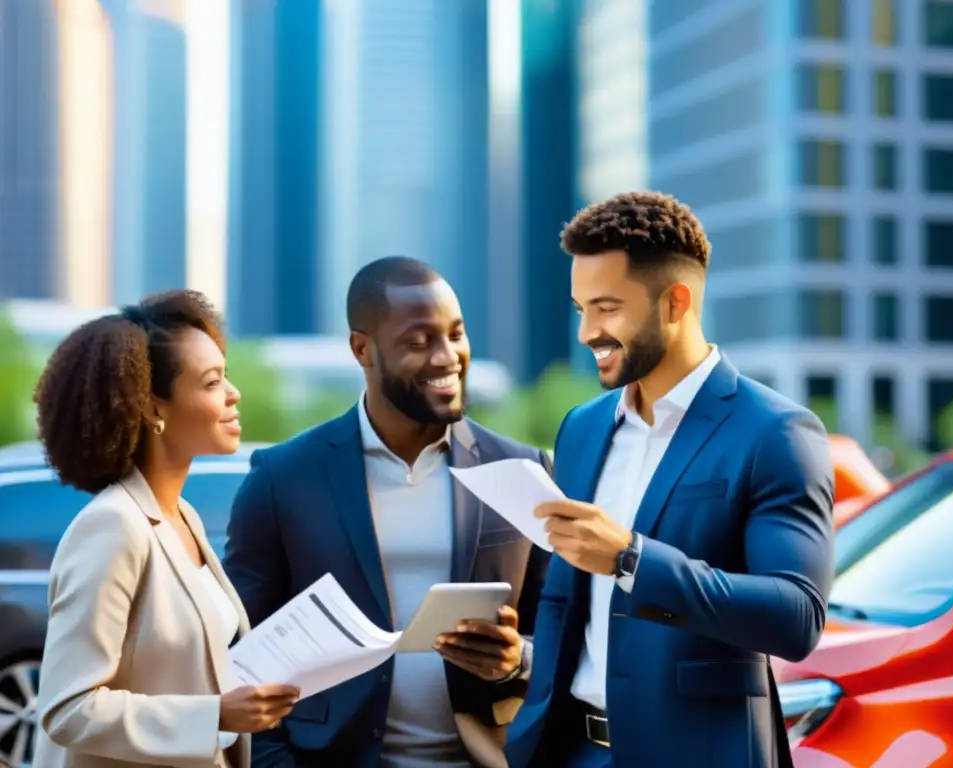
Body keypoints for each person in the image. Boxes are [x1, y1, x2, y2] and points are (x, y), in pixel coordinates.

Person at [504, 193, 836, 768]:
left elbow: (796, 616)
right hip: (568, 751)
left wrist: (632, 559)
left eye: (606, 307)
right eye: (579, 307)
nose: (587, 331)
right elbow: (570, 601)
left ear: (675, 302)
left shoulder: (776, 432)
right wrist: (523, 668)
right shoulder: (582, 429)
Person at [223, 256, 552, 768]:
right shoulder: (283, 477)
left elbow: (567, 630)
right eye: (419, 342)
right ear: (362, 349)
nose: (448, 357)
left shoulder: (523, 468)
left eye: (456, 334)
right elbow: (237, 653)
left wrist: (517, 660)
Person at [31, 290, 299, 768]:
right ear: (154, 407)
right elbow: (67, 707)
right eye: (213, 382)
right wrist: (215, 715)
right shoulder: (113, 527)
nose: (233, 393)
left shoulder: (183, 517)